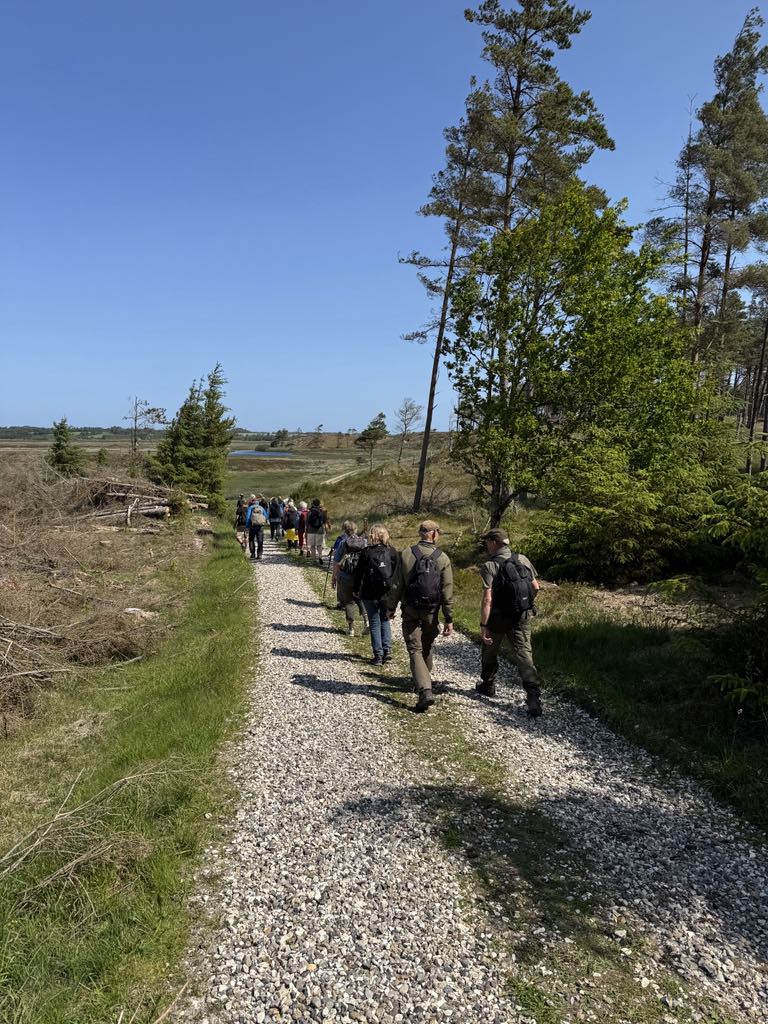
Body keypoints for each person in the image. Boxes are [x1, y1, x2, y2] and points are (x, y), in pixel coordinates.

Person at [389, 520, 453, 713]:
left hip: (411, 609)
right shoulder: (443, 558)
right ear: (434, 534)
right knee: (426, 645)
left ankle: (425, 689)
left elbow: (397, 584)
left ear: (420, 533)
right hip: (431, 612)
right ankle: (425, 682)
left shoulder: (406, 553)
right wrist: (449, 618)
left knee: (414, 649)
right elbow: (447, 591)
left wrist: (390, 607)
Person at [478, 528, 542, 717]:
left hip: (497, 618)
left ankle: (488, 685)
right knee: (524, 655)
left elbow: (488, 599)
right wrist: (523, 604)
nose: (486, 545)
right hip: (521, 616)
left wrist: (483, 625)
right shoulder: (522, 559)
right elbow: (536, 587)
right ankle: (533, 697)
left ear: (494, 543)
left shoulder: (489, 566)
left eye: (487, 542)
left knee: (489, 651)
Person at [353, 524, 399, 665]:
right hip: (386, 593)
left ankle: (378, 655)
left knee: (374, 622)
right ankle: (387, 650)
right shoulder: (392, 551)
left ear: (372, 535)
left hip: (369, 592)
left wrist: (355, 589)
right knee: (385, 620)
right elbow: (397, 573)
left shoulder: (366, 552)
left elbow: (358, 573)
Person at [332, 520, 369, 636]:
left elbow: (336, 562)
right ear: (356, 530)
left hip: (345, 576)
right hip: (360, 576)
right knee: (360, 598)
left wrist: (334, 577)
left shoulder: (343, 543)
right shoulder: (364, 542)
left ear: (345, 531)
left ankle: (351, 629)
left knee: (348, 601)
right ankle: (366, 621)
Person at [306, 498, 328, 566]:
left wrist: (306, 531)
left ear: (312, 504)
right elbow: (325, 522)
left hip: (311, 531)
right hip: (320, 530)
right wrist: (326, 530)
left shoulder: (309, 512)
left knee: (312, 546)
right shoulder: (322, 511)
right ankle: (320, 557)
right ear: (319, 504)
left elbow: (307, 523)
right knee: (319, 545)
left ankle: (314, 560)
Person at [244, 495, 267, 560]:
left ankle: (253, 554)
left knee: (251, 539)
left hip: (252, 526)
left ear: (253, 503)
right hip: (260, 527)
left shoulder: (250, 508)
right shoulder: (261, 508)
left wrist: (247, 526)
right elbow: (265, 516)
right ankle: (259, 554)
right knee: (260, 540)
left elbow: (248, 518)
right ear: (258, 503)